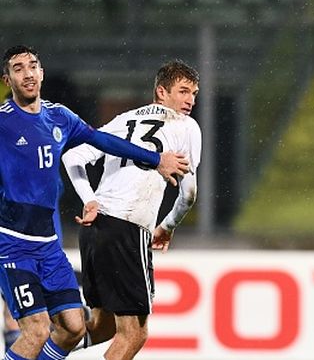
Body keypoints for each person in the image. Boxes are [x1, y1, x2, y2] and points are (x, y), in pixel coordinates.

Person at [0, 44, 189, 360]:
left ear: (41, 72)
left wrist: (156, 159)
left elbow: (105, 141)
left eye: (32, 65)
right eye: (18, 69)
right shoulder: (3, 121)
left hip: (48, 245)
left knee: (73, 328)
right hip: (12, 245)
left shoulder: (59, 117)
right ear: (8, 80)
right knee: (36, 329)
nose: (28, 73)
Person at [62, 59, 202, 359]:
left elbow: (72, 158)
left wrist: (89, 199)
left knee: (101, 327)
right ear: (161, 92)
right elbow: (188, 194)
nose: (190, 100)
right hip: (126, 227)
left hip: (93, 229)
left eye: (194, 93)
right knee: (135, 334)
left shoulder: (123, 120)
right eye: (183, 91)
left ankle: (36, 349)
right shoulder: (186, 126)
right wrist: (168, 225)